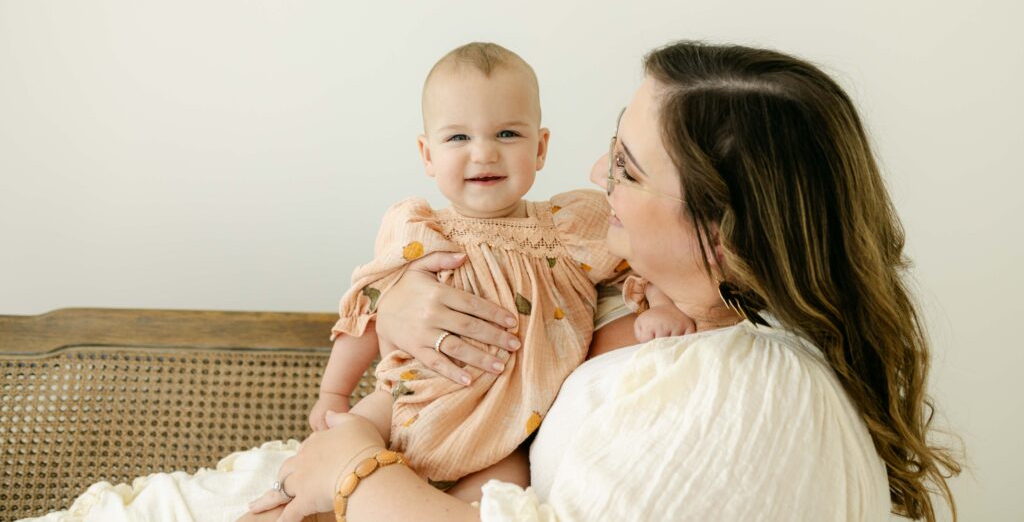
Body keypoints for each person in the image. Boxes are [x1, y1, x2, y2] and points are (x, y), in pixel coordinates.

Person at [244, 40, 960, 521]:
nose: (593, 177)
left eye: (627, 166)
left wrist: (354, 471)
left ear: (721, 233)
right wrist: (397, 300)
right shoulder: (653, 304)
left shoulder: (749, 399)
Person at [309, 42, 673, 500]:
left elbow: (648, 259)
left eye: (506, 135)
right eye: (458, 138)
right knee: (321, 473)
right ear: (427, 154)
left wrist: (661, 305)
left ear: (540, 148)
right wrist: (333, 394)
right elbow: (370, 308)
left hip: (506, 431)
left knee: (501, 496)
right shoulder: (420, 231)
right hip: (405, 407)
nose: (483, 154)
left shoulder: (571, 229)